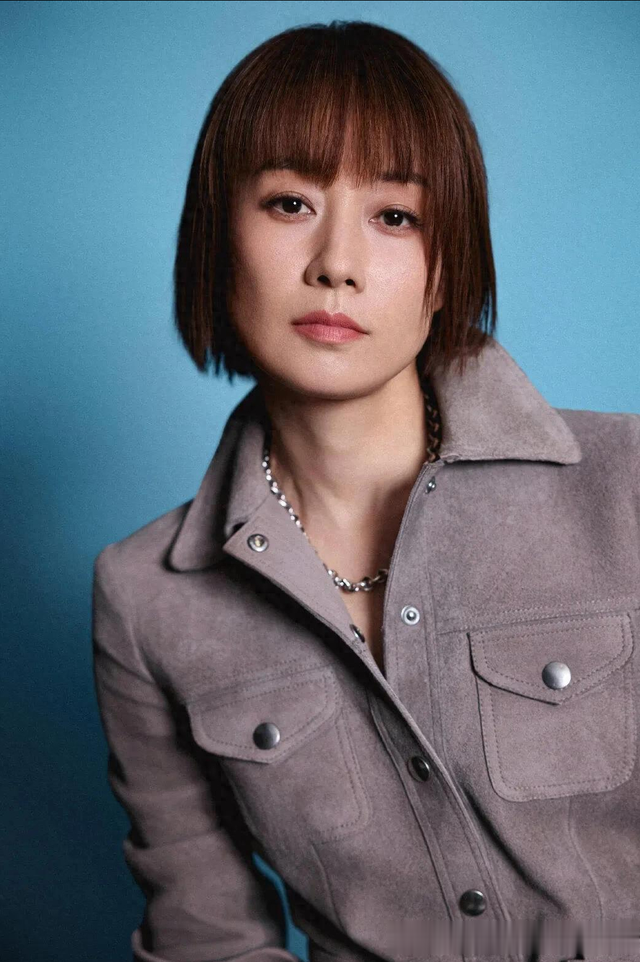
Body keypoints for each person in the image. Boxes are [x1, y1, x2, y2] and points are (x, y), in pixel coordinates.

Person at [91, 19, 640, 962]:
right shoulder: (146, 600)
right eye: (289, 203)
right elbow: (207, 937)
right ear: (219, 240)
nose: (335, 263)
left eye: (395, 216)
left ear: (446, 267)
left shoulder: (625, 487)